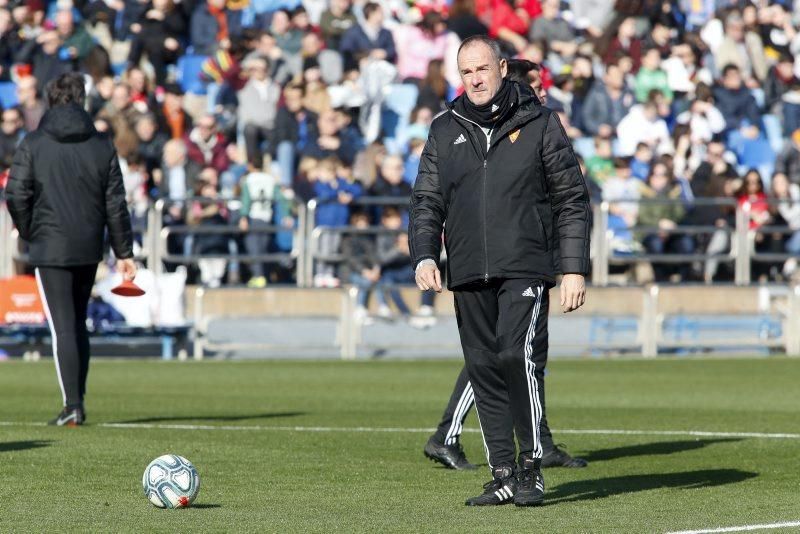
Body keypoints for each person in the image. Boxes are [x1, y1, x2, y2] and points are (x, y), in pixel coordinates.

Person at [409, 36, 590, 507]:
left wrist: (573, 269)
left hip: (526, 262)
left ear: (502, 68)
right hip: (467, 268)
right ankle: (504, 473)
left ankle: (533, 466)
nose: (475, 79)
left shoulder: (541, 122)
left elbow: (572, 199)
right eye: (466, 72)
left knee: (516, 355)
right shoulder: (444, 128)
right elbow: (427, 199)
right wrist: (425, 255)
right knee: (485, 368)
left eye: (482, 69)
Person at [5, 72, 136, 426]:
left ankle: (72, 405)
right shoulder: (101, 144)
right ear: (83, 100)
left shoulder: (33, 143)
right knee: (78, 323)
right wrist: (124, 252)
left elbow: (16, 194)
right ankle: (78, 400)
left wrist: (32, 230)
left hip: (50, 245)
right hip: (89, 244)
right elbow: (116, 204)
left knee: (63, 325)